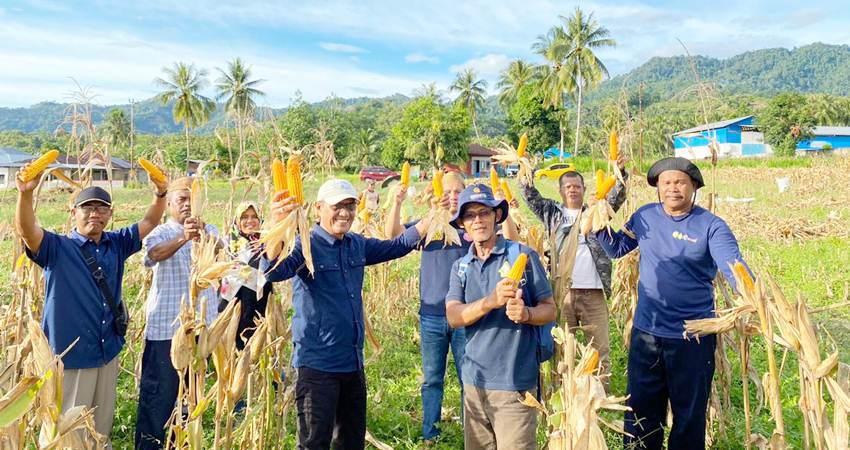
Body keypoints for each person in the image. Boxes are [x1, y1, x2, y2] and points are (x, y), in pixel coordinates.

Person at [263, 178, 436, 450]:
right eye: (337, 206)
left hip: (353, 365)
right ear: (318, 208)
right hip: (317, 366)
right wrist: (276, 226)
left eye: (350, 206)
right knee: (313, 444)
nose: (344, 213)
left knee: (352, 442)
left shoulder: (357, 244)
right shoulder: (305, 246)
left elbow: (398, 245)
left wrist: (433, 216)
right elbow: (273, 271)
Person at [596, 157, 750, 450]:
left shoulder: (711, 226)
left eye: (680, 182)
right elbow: (617, 248)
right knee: (640, 414)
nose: (672, 188)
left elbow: (734, 267)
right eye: (666, 182)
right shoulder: (644, 217)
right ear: (657, 187)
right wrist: (596, 222)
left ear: (694, 187)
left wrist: (753, 295)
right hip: (647, 334)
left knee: (689, 416)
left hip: (692, 338)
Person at [15, 163, 167, 449]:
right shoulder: (57, 248)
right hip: (71, 357)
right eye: (87, 208)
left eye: (101, 208)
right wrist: (25, 194)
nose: (94, 213)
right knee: (66, 433)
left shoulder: (117, 243)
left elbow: (150, 221)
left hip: (107, 352)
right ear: (73, 212)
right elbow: (26, 230)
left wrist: (160, 194)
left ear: (109, 214)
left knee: (100, 429)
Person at [384, 172, 520, 444]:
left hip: (465, 316)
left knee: (467, 378)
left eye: (458, 191)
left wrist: (504, 205)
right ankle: (430, 433)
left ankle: (470, 433)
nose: (453, 196)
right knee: (431, 379)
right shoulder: (429, 225)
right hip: (432, 315)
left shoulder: (472, 225)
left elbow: (512, 241)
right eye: (447, 191)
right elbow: (394, 237)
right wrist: (397, 202)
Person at [444, 184, 556, 450]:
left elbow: (550, 309)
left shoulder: (522, 256)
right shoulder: (461, 267)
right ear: (462, 224)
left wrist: (527, 313)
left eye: (484, 212)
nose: (478, 220)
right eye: (470, 215)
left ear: (496, 216)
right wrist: (490, 301)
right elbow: (453, 316)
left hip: (514, 385)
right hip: (474, 384)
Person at [519, 157, 627, 387]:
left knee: (599, 352)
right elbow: (529, 194)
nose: (572, 190)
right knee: (560, 350)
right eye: (567, 186)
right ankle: (563, 396)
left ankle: (599, 399)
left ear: (584, 189)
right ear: (560, 191)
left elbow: (616, 197)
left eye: (577, 186)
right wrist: (525, 167)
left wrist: (620, 173)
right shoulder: (551, 213)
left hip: (593, 294)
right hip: (562, 294)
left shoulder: (597, 210)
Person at [135, 177, 220, 450]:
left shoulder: (211, 230)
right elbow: (154, 255)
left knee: (190, 400)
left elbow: (225, 259)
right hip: (166, 331)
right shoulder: (160, 232)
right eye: (181, 199)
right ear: (170, 203)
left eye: (192, 199)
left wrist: (205, 237)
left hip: (201, 330)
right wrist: (185, 237)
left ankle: (180, 445)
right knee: (159, 398)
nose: (187, 204)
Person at [218, 201, 273, 350]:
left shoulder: (268, 243)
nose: (250, 221)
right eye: (244, 217)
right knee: (229, 347)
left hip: (258, 304)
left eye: (254, 216)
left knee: (254, 346)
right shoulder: (226, 244)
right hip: (231, 303)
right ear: (237, 221)